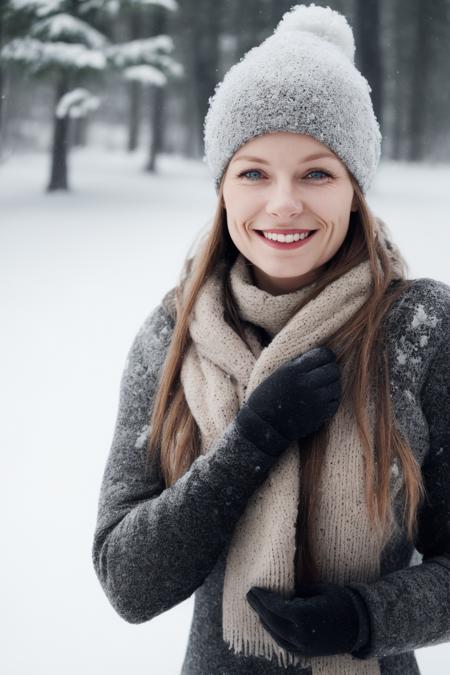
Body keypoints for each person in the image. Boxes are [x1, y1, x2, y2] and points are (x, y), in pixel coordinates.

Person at [91, 5, 450, 674]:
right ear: (223, 187)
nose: (283, 203)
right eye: (254, 172)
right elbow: (127, 579)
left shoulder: (421, 330)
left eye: (317, 172)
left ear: (355, 190)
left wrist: (367, 616)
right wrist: (249, 445)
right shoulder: (172, 338)